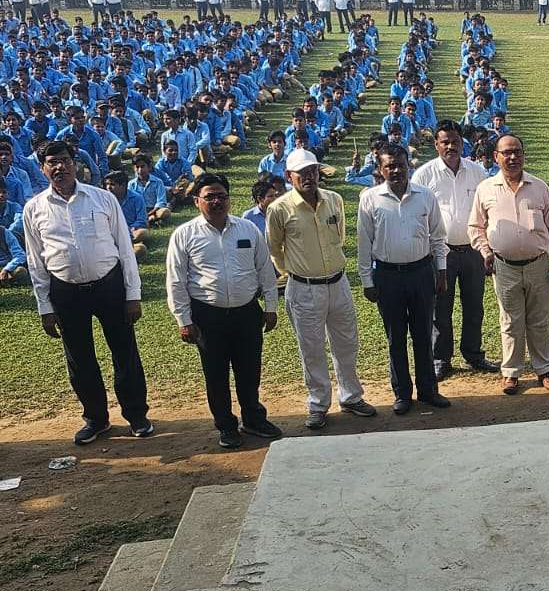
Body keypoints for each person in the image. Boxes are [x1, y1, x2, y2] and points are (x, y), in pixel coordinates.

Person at [22, 139, 152, 445]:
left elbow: (124, 247)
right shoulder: (34, 208)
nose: (59, 167)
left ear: (75, 163)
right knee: (79, 359)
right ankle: (96, 419)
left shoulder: (102, 198)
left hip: (109, 285)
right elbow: (35, 261)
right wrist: (45, 307)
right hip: (65, 291)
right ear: (43, 168)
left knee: (124, 352)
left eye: (64, 160)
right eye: (52, 162)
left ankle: (136, 415)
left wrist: (132, 294)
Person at [165, 173, 283, 449]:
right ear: (197, 201)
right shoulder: (184, 234)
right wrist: (184, 319)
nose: (217, 201)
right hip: (208, 316)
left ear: (229, 199)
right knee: (216, 375)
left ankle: (253, 418)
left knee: (249, 371)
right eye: (210, 197)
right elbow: (175, 280)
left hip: (246, 313)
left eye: (222, 196)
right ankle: (226, 426)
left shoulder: (247, 230)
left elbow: (265, 270)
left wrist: (270, 306)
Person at [265, 147, 376, 428]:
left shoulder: (334, 200)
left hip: (338, 283)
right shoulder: (279, 209)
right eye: (301, 173)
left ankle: (351, 396)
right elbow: (275, 249)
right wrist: (295, 271)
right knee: (311, 348)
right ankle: (318, 403)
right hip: (303, 288)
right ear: (289, 176)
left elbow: (339, 236)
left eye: (312, 171)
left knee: (347, 343)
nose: (308, 177)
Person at [468, 135, 549, 395]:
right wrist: (485, 251)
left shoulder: (538, 187)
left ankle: (544, 369)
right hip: (504, 267)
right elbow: (475, 227)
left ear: (523, 155)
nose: (512, 157)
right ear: (496, 157)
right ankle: (511, 372)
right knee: (510, 321)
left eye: (517, 152)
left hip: (538, 265)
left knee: (539, 320)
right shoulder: (486, 189)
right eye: (506, 153)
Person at [357, 144, 451, 414]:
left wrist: (441, 271)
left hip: (421, 273)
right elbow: (365, 243)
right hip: (387, 276)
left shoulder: (425, 195)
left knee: (423, 334)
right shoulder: (370, 199)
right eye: (389, 166)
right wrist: (367, 281)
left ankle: (428, 390)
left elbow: (437, 237)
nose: (396, 170)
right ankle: (402, 394)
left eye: (400, 164)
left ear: (408, 164)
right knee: (395, 337)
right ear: (380, 169)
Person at [413, 122, 494, 379]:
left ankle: (473, 353)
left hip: (472, 249)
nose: (450, 146)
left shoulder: (477, 171)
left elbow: (486, 208)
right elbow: (418, 215)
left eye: (455, 141)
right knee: (440, 308)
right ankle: (441, 358)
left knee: (474, 305)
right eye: (445, 141)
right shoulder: (424, 175)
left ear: (462, 142)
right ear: (436, 144)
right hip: (441, 252)